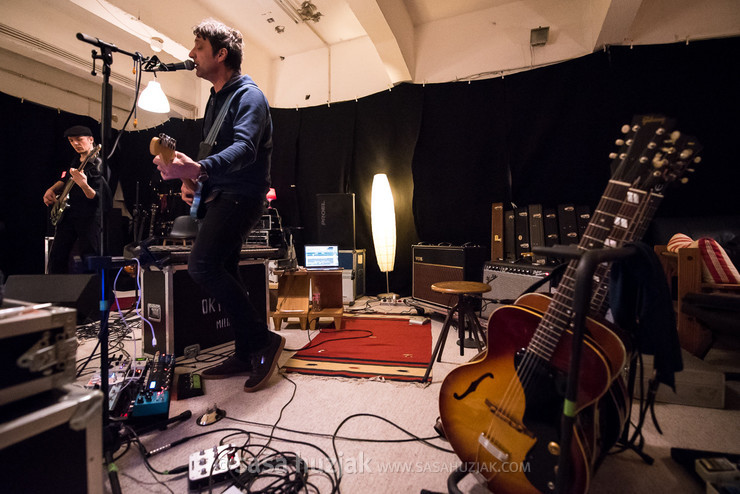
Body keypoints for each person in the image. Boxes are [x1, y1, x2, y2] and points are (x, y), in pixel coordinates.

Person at [152, 18, 283, 392]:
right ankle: (245, 351)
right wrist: (189, 178)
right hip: (221, 194)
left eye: (198, 47)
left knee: (202, 265)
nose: (190, 54)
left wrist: (202, 167)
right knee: (225, 270)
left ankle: (263, 340)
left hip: (242, 196)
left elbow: (245, 149)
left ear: (221, 54)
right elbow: (216, 155)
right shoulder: (217, 98)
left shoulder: (249, 96)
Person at [43, 125, 109, 274]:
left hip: (88, 216)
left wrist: (84, 185)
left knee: (90, 257)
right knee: (57, 255)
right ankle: (57, 293)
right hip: (69, 213)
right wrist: (52, 189)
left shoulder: (98, 164)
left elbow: (98, 197)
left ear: (91, 139)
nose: (75, 144)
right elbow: (66, 178)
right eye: (71, 141)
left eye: (79, 140)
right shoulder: (76, 160)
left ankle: (93, 292)